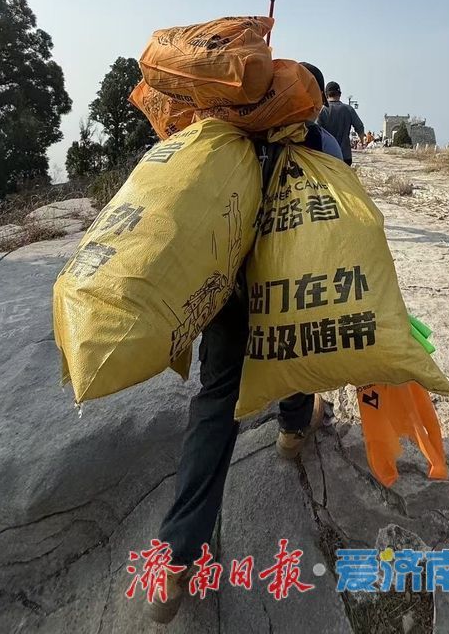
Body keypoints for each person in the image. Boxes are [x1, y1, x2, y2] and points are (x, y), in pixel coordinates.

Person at [148, 62, 341, 625]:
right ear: (309, 100)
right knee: (297, 355)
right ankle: (292, 430)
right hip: (290, 285)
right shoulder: (321, 141)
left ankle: (173, 562)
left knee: (217, 404)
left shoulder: (217, 137)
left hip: (227, 291)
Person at [316, 81, 365, 166]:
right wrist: (362, 142)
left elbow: (315, 130)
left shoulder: (321, 110)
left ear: (326, 95)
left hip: (326, 156)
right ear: (340, 94)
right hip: (345, 156)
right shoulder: (349, 109)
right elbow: (360, 127)